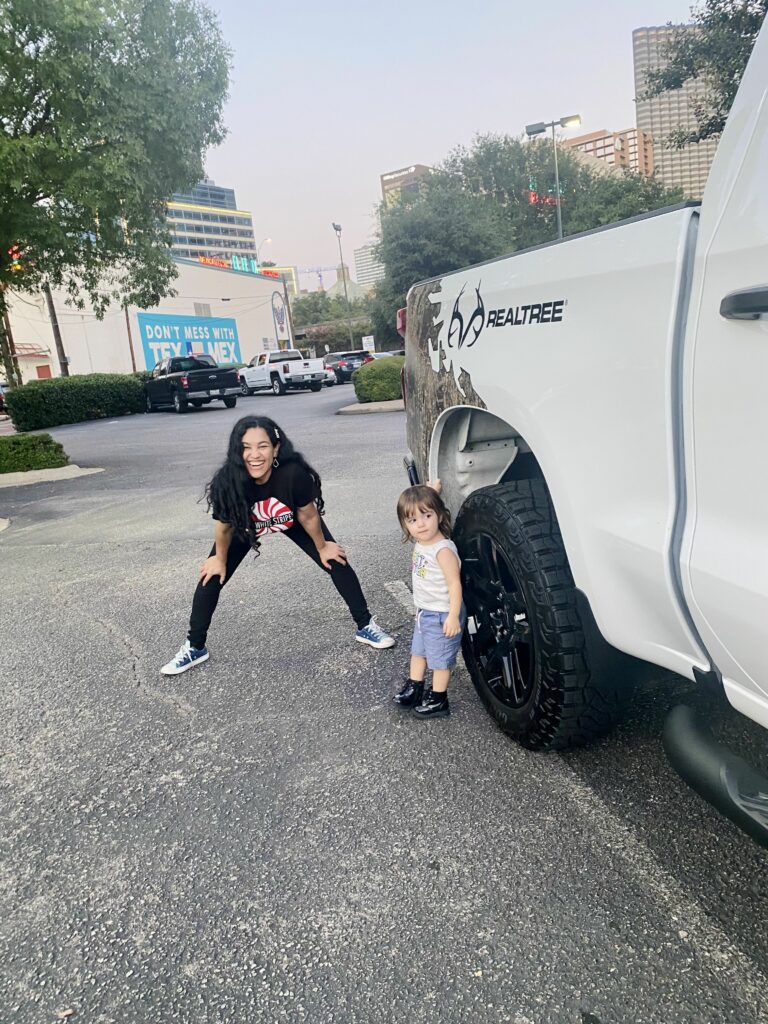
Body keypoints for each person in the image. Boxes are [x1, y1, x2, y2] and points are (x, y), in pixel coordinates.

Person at [161, 415, 395, 675]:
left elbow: (307, 515)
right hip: (244, 524)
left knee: (335, 559)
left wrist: (322, 546)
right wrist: (219, 559)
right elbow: (224, 526)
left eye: (262, 446)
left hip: (291, 518)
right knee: (211, 577)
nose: (254, 454)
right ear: (237, 452)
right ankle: (195, 647)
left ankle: (366, 626)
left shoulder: (293, 474)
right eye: (246, 447)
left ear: (276, 449)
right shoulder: (229, 481)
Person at [393, 481, 465, 719]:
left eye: (427, 516)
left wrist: (453, 616)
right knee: (418, 652)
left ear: (439, 515)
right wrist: (431, 490)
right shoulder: (423, 540)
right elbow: (423, 505)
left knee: (440, 659)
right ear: (405, 524)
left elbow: (455, 584)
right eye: (412, 520)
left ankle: (438, 698)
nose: (421, 524)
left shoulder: (442, 550)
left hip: (443, 613)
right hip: (425, 612)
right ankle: (415, 687)